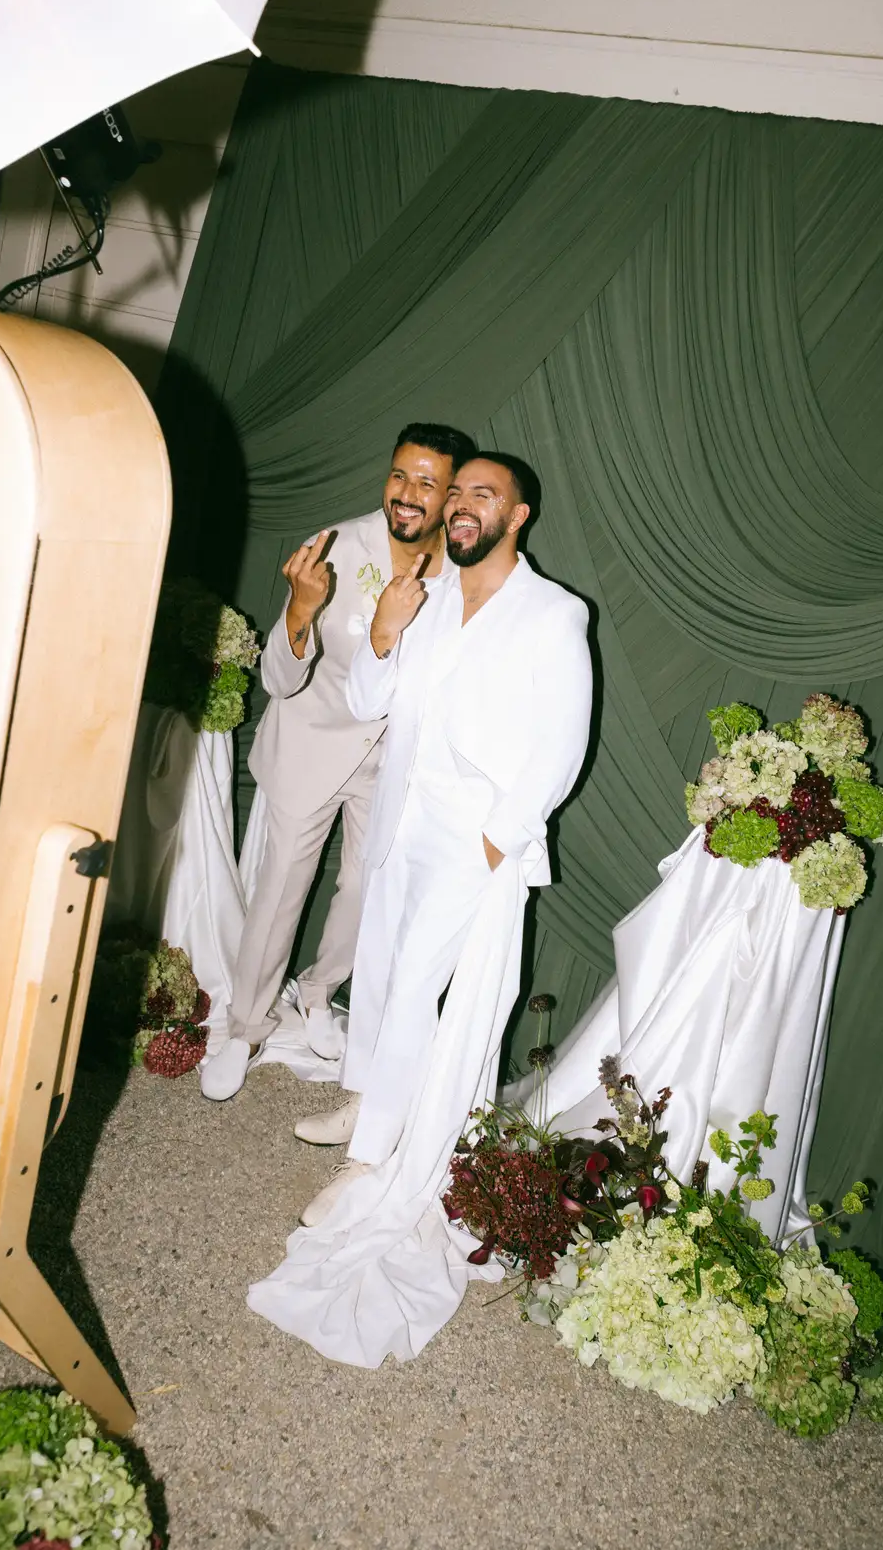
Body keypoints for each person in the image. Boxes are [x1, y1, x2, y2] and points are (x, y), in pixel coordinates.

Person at [248, 453, 593, 1366]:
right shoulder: (425, 594)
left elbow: (562, 744)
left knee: (414, 999)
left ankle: (375, 1161)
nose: (465, 507)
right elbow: (370, 700)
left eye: (486, 495)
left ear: (518, 516)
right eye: (460, 494)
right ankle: (368, 1107)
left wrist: (498, 839)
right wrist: (388, 632)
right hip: (404, 816)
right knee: (386, 972)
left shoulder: (555, 615)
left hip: (473, 839)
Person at [201, 422, 476, 1102]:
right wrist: (300, 610)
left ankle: (319, 992)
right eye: (399, 476)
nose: (407, 494)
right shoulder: (334, 548)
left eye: (427, 483)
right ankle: (244, 1025)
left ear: (451, 498)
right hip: (312, 742)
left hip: (391, 766)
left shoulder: (465, 576)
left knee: (366, 891)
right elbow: (279, 681)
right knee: (280, 892)